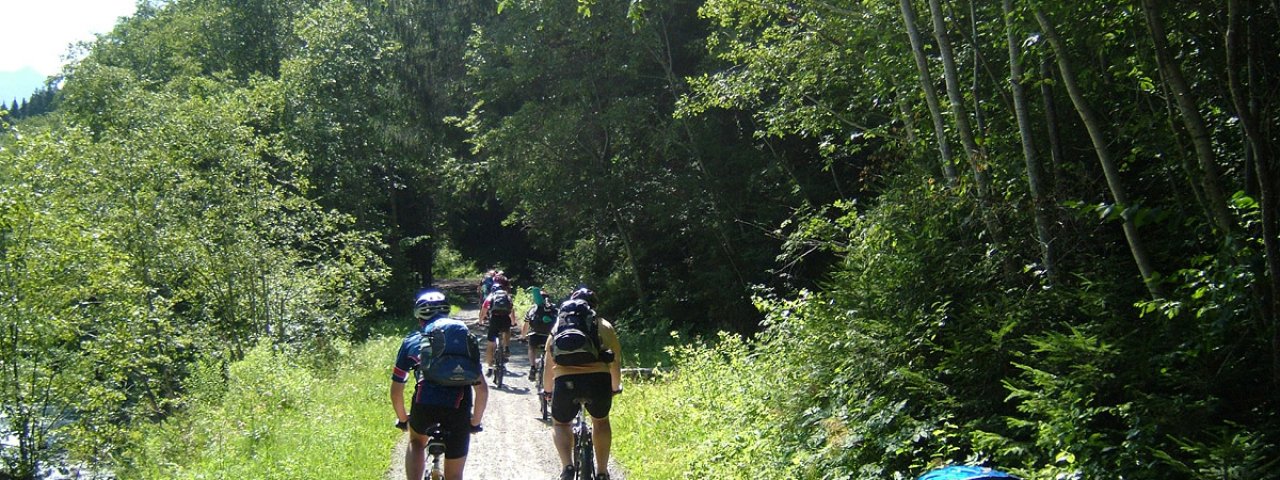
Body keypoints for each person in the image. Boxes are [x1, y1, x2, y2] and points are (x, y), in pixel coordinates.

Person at [391, 289, 489, 480]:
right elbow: (482, 390)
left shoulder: (412, 341)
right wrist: (475, 423)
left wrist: (403, 420)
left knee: (416, 442)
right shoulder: (463, 341)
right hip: (458, 409)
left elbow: (397, 390)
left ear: (419, 317)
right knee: (454, 475)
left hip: (424, 405)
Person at [542, 288, 622, 480]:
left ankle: (567, 468)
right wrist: (614, 386)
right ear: (594, 306)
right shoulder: (604, 325)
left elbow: (548, 363)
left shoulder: (558, 327)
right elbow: (615, 360)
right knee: (601, 422)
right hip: (598, 380)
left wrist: (547, 390)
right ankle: (602, 472)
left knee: (561, 424)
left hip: (565, 381)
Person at [478, 281, 516, 376]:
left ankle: (490, 368)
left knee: (491, 344)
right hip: (505, 318)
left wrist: (480, 321)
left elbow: (483, 311)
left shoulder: (490, 296)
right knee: (507, 331)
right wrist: (513, 322)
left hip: (494, 319)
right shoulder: (507, 296)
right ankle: (506, 347)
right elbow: (511, 310)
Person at [521, 286, 558, 380]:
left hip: (535, 335)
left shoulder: (533, 309)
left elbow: (526, 324)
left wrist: (523, 336)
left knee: (531, 348)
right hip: (549, 336)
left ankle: (533, 367)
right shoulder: (554, 309)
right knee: (550, 353)